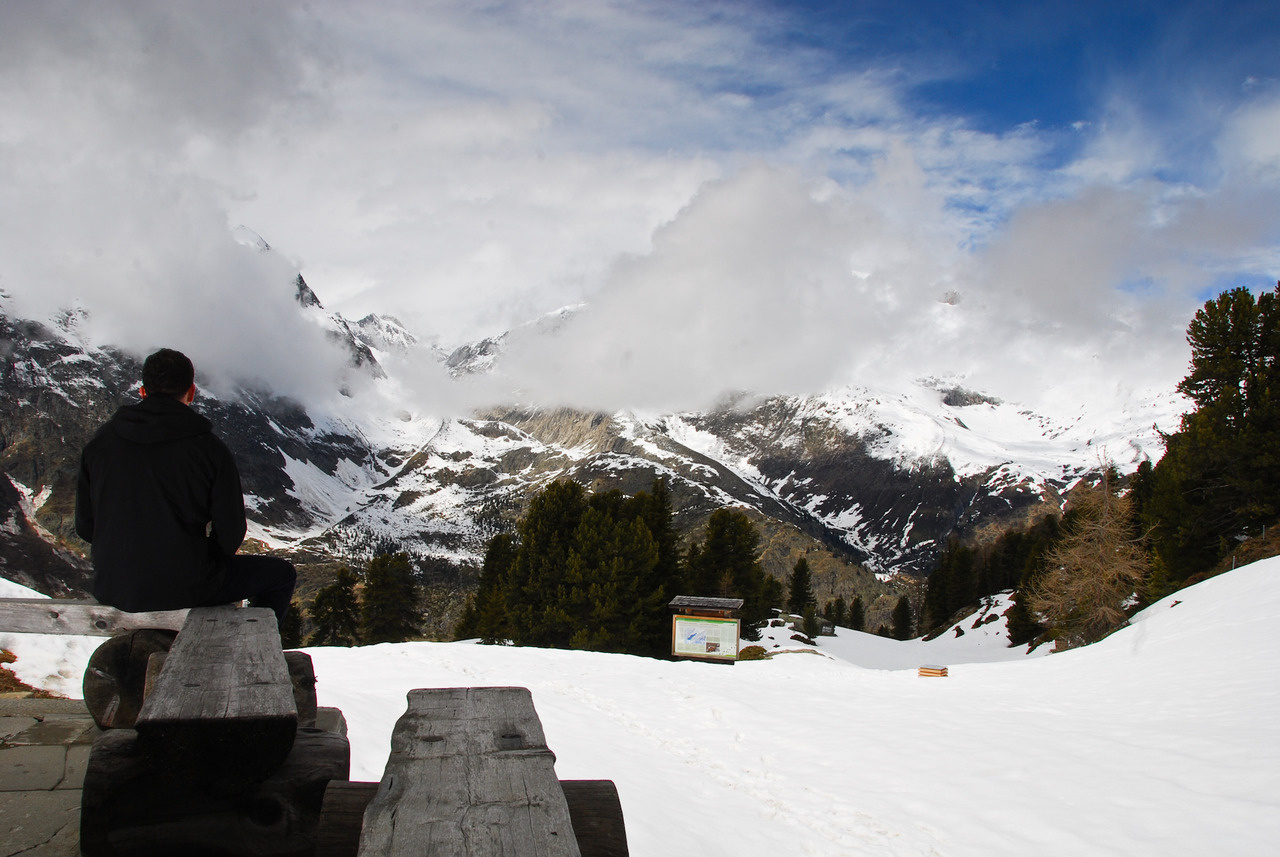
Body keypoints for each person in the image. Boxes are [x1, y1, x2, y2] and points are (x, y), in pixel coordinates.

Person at [75, 348, 296, 627]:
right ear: (191, 391)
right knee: (281, 575)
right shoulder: (208, 449)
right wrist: (201, 562)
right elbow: (231, 531)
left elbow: (85, 526)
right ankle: (254, 649)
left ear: (143, 391)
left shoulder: (99, 444)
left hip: (113, 586)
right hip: (186, 585)